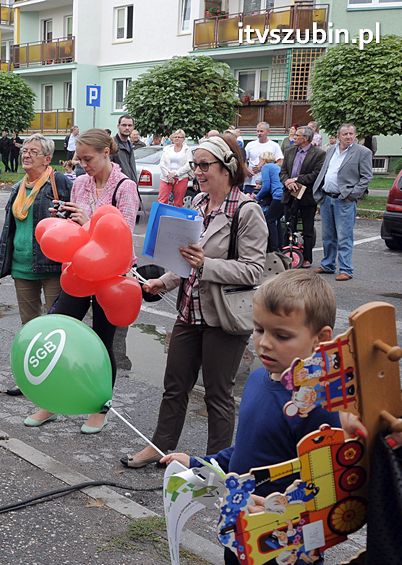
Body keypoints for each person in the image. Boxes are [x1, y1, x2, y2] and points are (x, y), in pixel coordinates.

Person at [159, 270, 367, 565]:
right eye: (259, 330)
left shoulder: (318, 408)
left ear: (320, 339)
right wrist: (198, 463)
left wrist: (280, 512)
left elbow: (331, 492)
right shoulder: (258, 380)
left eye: (281, 335)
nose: (265, 343)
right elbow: (245, 453)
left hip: (286, 549)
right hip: (241, 534)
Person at [123, 135, 267, 468]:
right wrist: (164, 279)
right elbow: (187, 259)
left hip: (224, 317)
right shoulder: (198, 203)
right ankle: (159, 448)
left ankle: (217, 465)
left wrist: (207, 265)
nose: (198, 171)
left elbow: (253, 271)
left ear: (227, 167)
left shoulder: (247, 210)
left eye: (205, 165)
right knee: (174, 385)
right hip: (189, 311)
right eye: (195, 165)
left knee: (218, 395)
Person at [23, 129, 139, 433]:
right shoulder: (81, 183)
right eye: (79, 158)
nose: (82, 164)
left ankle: (100, 407)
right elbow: (74, 232)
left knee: (103, 341)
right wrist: (65, 220)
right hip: (78, 272)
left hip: (111, 278)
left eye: (87, 158)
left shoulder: (125, 187)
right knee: (56, 328)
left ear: (106, 152)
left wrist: (86, 223)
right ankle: (51, 401)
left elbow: (122, 237)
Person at [0, 133, 72, 328]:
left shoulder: (59, 183)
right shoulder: (18, 188)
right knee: (30, 326)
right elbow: (8, 231)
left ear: (47, 159)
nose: (26, 155)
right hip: (22, 267)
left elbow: (75, 221)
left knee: (56, 325)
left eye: (33, 152)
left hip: (52, 266)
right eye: (25, 151)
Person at [312, 123, 373, 281]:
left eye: (351, 134)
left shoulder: (363, 152)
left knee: (344, 236)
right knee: (327, 235)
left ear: (355, 135)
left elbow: (366, 177)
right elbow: (325, 171)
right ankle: (328, 265)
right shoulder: (331, 150)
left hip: (344, 200)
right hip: (327, 198)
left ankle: (346, 269)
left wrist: (352, 195)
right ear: (339, 136)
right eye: (345, 134)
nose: (348, 137)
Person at [280, 126, 326, 268]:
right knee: (288, 225)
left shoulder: (319, 154)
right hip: (290, 194)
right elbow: (283, 172)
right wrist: (287, 181)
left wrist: (297, 180)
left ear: (305, 138)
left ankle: (307, 258)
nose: (293, 138)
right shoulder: (289, 152)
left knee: (307, 229)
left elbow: (316, 174)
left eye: (297, 136)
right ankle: (287, 255)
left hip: (307, 196)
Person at [255, 151, 285, 251]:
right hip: (285, 195)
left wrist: (256, 197)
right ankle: (280, 246)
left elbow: (266, 186)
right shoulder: (276, 167)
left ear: (263, 160)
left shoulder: (266, 167)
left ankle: (273, 248)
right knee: (277, 221)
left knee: (269, 220)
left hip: (277, 195)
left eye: (259, 160)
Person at [243, 122, 283, 195]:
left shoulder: (274, 145)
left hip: (266, 182)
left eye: (261, 131)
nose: (259, 133)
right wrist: (246, 170)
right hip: (250, 181)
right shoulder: (250, 145)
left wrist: (265, 168)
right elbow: (243, 160)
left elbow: (280, 162)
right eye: (257, 131)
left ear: (268, 132)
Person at [157, 129, 192, 206]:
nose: (177, 138)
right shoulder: (167, 149)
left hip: (181, 178)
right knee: (162, 200)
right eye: (175, 137)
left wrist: (176, 173)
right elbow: (162, 163)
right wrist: (168, 175)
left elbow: (189, 164)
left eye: (179, 137)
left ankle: (175, 217)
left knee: (178, 202)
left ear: (183, 139)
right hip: (166, 177)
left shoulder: (187, 150)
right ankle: (160, 216)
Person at [110, 115, 138, 181]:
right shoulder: (111, 144)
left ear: (133, 127)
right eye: (124, 125)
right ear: (118, 126)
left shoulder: (130, 145)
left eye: (130, 125)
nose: (127, 128)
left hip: (130, 186)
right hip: (118, 187)